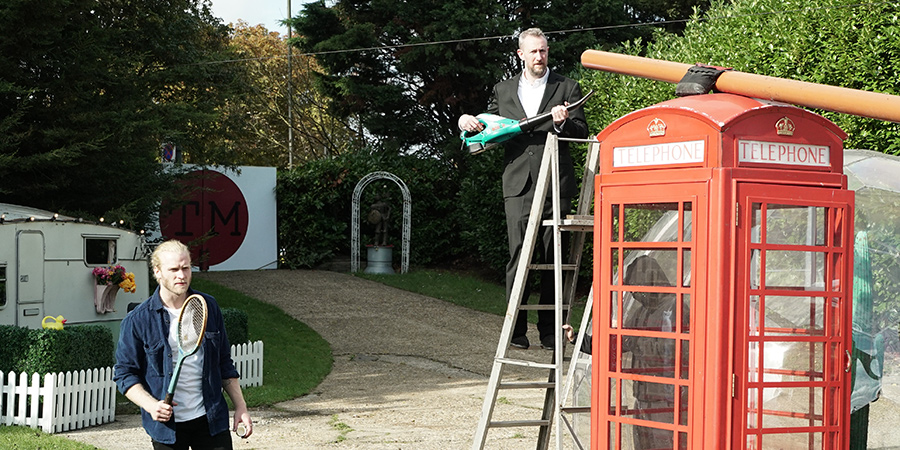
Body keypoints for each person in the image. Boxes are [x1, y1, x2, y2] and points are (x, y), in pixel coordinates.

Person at [458, 28, 589, 350]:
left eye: (543, 51)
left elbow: (582, 131)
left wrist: (561, 123)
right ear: (520, 54)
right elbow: (485, 125)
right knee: (519, 256)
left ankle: (550, 332)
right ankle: (515, 332)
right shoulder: (502, 91)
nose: (539, 57)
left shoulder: (567, 87)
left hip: (555, 184)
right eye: (533, 52)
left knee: (552, 259)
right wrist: (466, 121)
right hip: (517, 185)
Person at [114, 240, 253, 449]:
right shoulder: (138, 320)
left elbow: (224, 362)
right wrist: (152, 406)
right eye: (174, 269)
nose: (182, 275)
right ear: (158, 272)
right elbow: (124, 374)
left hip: (210, 419)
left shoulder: (207, 307)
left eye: (186, 268)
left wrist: (241, 407)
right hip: (167, 428)